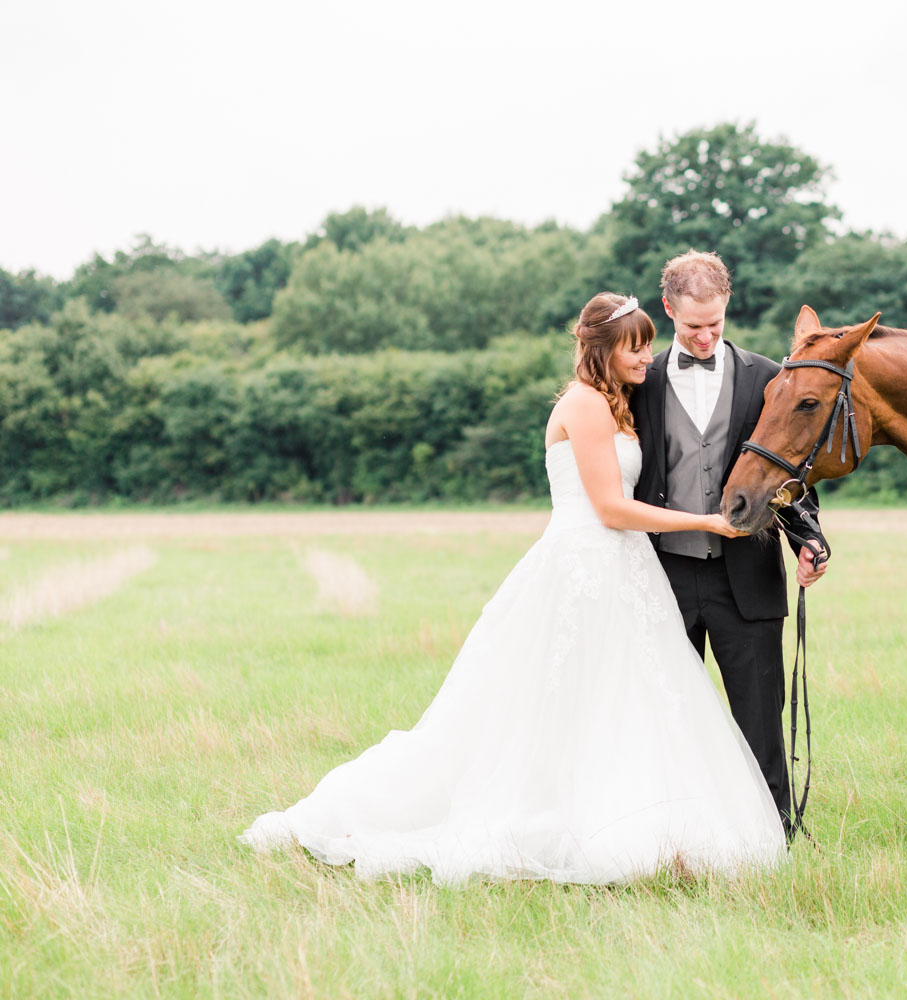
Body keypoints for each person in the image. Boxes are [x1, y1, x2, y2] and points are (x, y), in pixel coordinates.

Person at [240, 292, 787, 885]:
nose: (647, 358)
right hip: (585, 568)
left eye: (649, 345)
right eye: (637, 347)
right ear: (602, 350)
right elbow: (609, 507)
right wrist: (706, 522)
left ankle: (632, 808)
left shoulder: (617, 403)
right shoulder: (584, 405)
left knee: (624, 699)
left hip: (623, 574)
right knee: (562, 699)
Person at [629, 251, 828, 833]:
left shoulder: (769, 378)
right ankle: (671, 834)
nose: (705, 336)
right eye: (692, 326)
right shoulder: (640, 381)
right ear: (668, 310)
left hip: (748, 577)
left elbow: (791, 475)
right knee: (666, 716)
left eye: (715, 323)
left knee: (761, 719)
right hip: (662, 576)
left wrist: (809, 542)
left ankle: (777, 836)